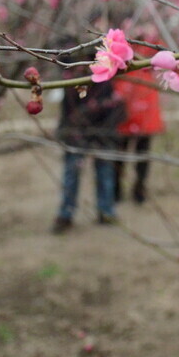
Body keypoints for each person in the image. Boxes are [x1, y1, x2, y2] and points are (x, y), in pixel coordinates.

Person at [52, 61, 126, 233]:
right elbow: (67, 111)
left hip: (102, 132)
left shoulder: (106, 78)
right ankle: (66, 213)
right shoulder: (69, 80)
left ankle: (105, 211)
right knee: (71, 175)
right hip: (76, 134)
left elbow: (113, 106)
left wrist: (105, 129)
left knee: (105, 174)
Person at [112, 56, 164, 204]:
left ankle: (139, 189)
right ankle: (117, 190)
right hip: (123, 107)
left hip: (145, 106)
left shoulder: (150, 48)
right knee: (119, 155)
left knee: (142, 156)